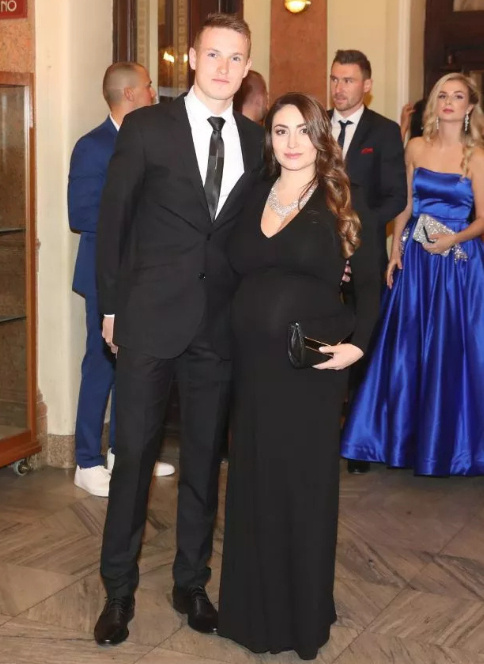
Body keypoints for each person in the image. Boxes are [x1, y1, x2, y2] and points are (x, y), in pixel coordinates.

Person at [93, 13, 264, 646]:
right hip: (147, 320)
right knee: (134, 459)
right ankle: (118, 591)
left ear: (247, 68)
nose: (224, 67)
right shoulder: (147, 128)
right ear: (191, 58)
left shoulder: (257, 141)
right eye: (213, 54)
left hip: (217, 328)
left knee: (202, 463)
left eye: (236, 58)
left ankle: (191, 583)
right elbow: (113, 223)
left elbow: (256, 233)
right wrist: (111, 309)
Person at [218, 93, 381, 661]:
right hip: (252, 371)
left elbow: (369, 286)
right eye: (280, 130)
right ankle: (250, 613)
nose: (291, 142)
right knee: (254, 484)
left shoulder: (341, 200)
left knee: (301, 490)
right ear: (269, 139)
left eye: (302, 130)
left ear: (320, 137)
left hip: (308, 372)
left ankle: (302, 616)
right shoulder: (252, 192)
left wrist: (357, 347)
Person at [341, 73, 484, 477]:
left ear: (470, 106)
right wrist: (395, 252)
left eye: (458, 96)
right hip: (417, 262)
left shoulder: (477, 156)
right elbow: (405, 206)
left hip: (458, 265)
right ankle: (400, 440)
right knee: (406, 349)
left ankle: (453, 446)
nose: (449, 102)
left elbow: (482, 219)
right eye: (443, 95)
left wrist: (453, 238)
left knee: (453, 351)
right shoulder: (416, 146)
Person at [69, 62, 174, 498]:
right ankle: (86, 460)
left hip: (143, 274)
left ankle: (122, 454)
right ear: (130, 94)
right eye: (148, 86)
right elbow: (81, 214)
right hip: (104, 274)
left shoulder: (146, 140)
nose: (153, 93)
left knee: (135, 367)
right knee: (101, 364)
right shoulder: (93, 146)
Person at [329, 49, 407, 474]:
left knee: (362, 340)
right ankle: (321, 431)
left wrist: (359, 227)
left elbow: (396, 195)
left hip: (365, 252)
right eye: (334, 79)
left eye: (348, 80)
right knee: (321, 335)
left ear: (367, 85)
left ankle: (357, 441)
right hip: (316, 252)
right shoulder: (315, 125)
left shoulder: (385, 131)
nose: (339, 88)